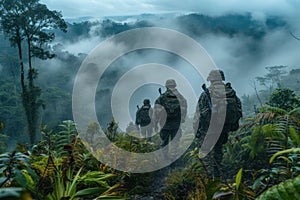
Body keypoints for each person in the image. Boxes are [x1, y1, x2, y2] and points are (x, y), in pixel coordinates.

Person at [193, 70, 242, 178]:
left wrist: (196, 131)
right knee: (218, 149)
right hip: (224, 127)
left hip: (209, 129)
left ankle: (211, 178)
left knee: (206, 153)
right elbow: (238, 108)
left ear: (211, 79)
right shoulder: (230, 91)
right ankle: (218, 174)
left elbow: (198, 114)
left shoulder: (207, 92)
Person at [153, 79, 187, 157]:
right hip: (176, 123)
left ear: (166, 86)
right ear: (174, 85)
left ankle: (165, 160)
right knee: (175, 142)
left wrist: (155, 123)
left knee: (164, 142)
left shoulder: (161, 97)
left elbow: (156, 112)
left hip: (164, 124)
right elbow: (184, 108)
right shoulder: (180, 97)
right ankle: (173, 158)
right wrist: (182, 119)